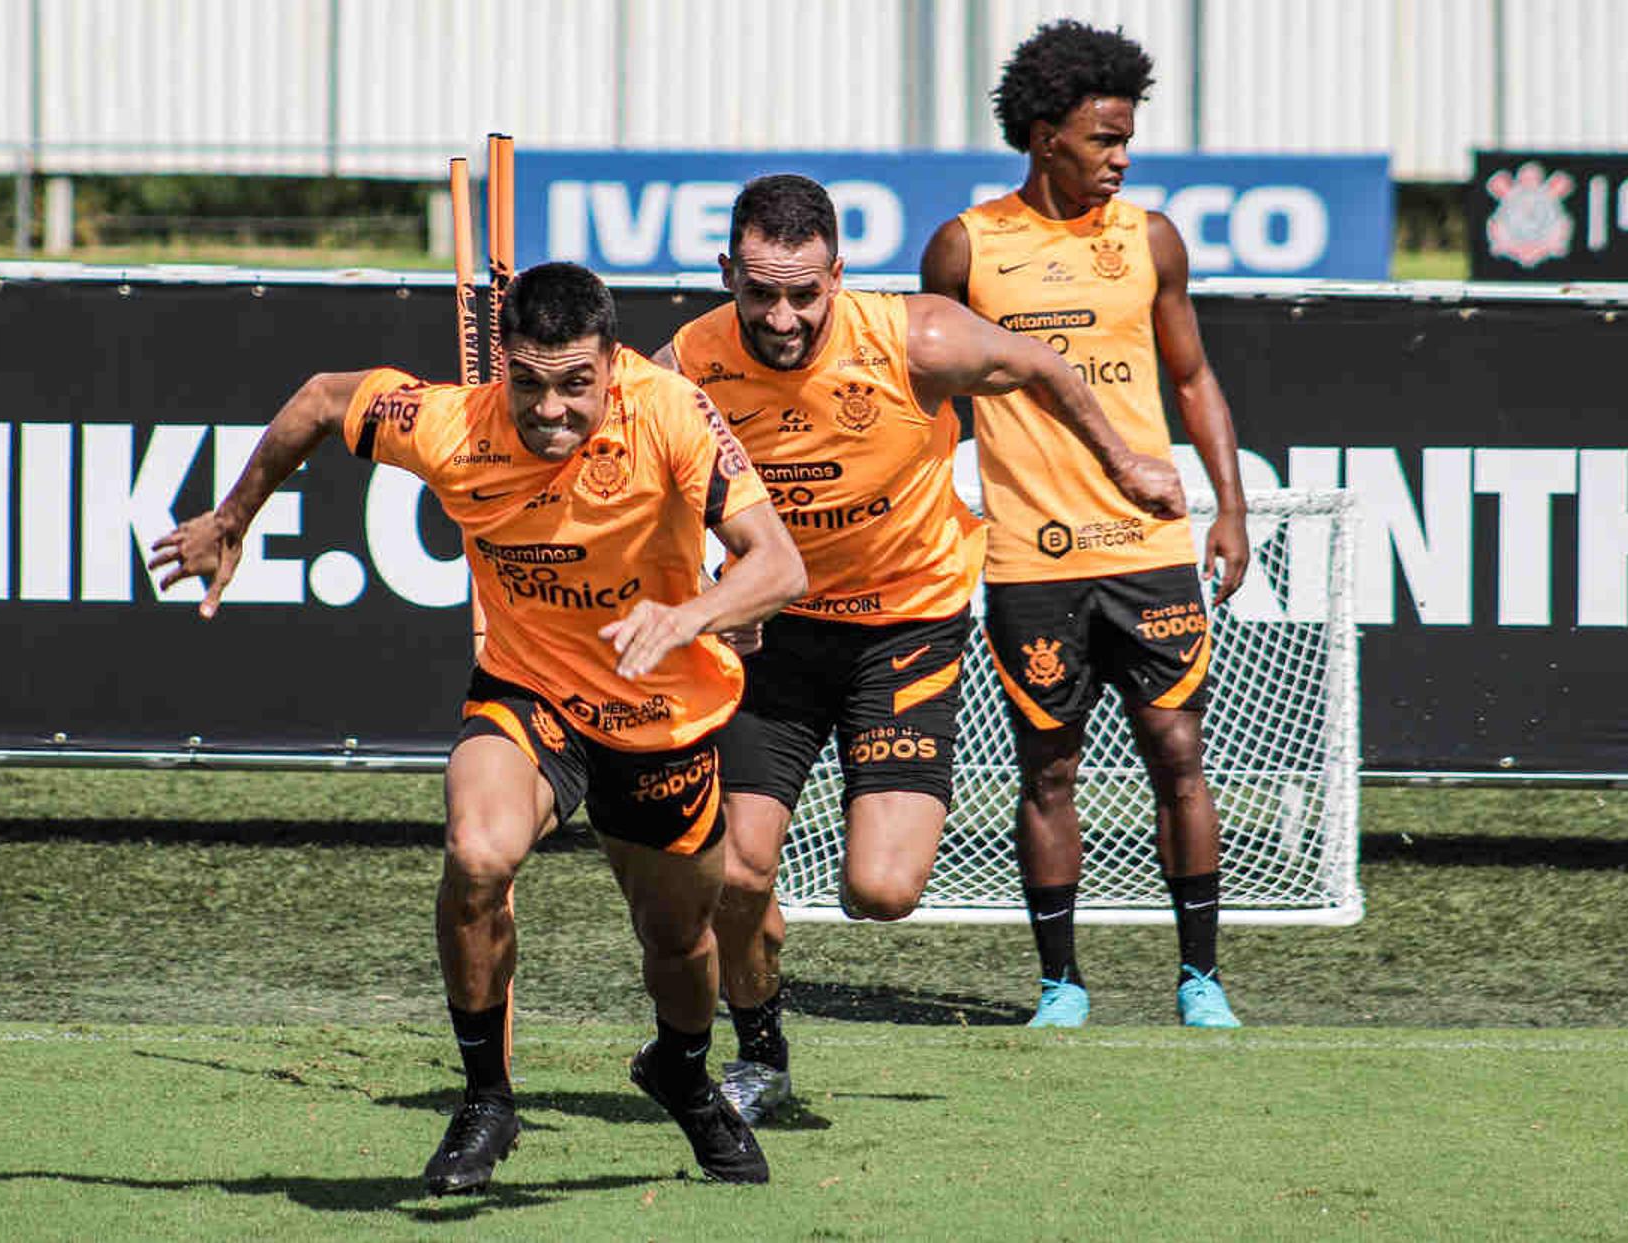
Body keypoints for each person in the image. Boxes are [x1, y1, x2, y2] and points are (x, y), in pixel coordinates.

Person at [149, 262, 806, 1192]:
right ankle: (488, 1097)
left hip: (661, 707)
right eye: (530, 383)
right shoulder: (451, 423)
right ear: (503, 364)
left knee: (679, 941)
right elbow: (317, 401)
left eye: (576, 384)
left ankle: (684, 1075)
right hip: (529, 693)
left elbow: (779, 566)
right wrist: (232, 516)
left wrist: (687, 616)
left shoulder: (671, 411)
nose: (550, 410)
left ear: (611, 366)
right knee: (478, 853)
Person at [655, 174, 1185, 1122]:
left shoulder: (917, 339)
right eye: (760, 291)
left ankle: (788, 919)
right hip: (772, 641)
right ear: (726, 271)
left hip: (905, 627)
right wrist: (701, 593)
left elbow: (1047, 370)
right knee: (735, 875)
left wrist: (1125, 461)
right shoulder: (686, 365)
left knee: (884, 889)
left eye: (804, 293)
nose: (782, 317)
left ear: (839, 276)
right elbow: (634, 487)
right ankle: (760, 1056)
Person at [920, 20, 1250, 1029]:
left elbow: (1191, 378)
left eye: (1127, 137)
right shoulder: (967, 245)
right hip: (1031, 557)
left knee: (1177, 750)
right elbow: (925, 396)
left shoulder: (1149, 238)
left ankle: (1201, 980)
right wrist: (937, 508)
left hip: (1147, 546)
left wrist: (1227, 506)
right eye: (1105, 137)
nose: (1122, 156)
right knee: (1049, 766)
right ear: (1044, 133)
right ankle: (1061, 983)